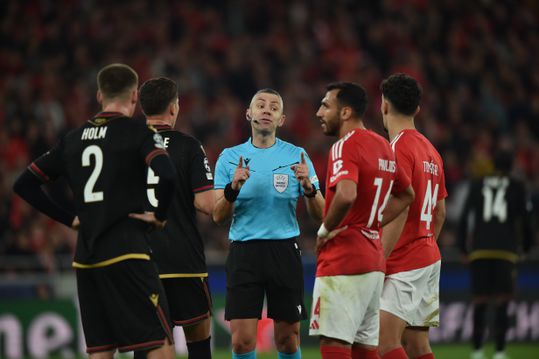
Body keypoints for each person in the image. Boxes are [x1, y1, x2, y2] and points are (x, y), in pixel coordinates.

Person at [13, 64, 177, 359]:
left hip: (87, 259)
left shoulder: (73, 139)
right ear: (134, 96)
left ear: (100, 95)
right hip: (128, 252)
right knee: (159, 345)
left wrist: (70, 219)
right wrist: (160, 216)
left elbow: (24, 184)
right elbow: (166, 173)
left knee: (101, 352)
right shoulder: (138, 131)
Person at [213, 88, 325, 359]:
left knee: (287, 340)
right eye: (260, 105)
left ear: (282, 119)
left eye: (274, 107)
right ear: (249, 114)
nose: (266, 110)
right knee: (242, 342)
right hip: (244, 252)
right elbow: (217, 215)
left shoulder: (297, 156)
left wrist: (309, 188)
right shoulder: (229, 157)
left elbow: (322, 215)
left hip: (284, 250)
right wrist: (233, 188)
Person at [309, 81, 415, 359]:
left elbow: (346, 194)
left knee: (335, 343)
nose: (319, 112)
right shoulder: (384, 146)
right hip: (373, 262)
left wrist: (324, 231)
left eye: (325, 105)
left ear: (345, 113)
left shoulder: (345, 146)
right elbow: (407, 195)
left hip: (344, 258)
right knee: (364, 349)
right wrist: (372, 222)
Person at [134, 77, 215, 359]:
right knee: (198, 340)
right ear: (173, 107)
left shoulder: (126, 148)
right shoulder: (188, 146)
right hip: (184, 261)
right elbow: (206, 204)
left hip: (140, 261)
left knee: (148, 343)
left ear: (142, 108)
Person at [378, 73, 447, 359]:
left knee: (385, 344)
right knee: (417, 346)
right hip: (428, 256)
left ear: (383, 106)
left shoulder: (396, 149)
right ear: (417, 109)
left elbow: (399, 208)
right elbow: (440, 212)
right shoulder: (432, 151)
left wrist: (377, 261)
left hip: (404, 260)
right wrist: (424, 245)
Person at [458, 150, 533, 359]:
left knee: (480, 301)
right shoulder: (518, 187)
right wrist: (526, 248)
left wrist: (463, 248)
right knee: (503, 301)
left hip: (480, 250)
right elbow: (525, 221)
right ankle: (500, 352)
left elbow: (465, 218)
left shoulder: (477, 184)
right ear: (511, 166)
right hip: (505, 251)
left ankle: (477, 351)